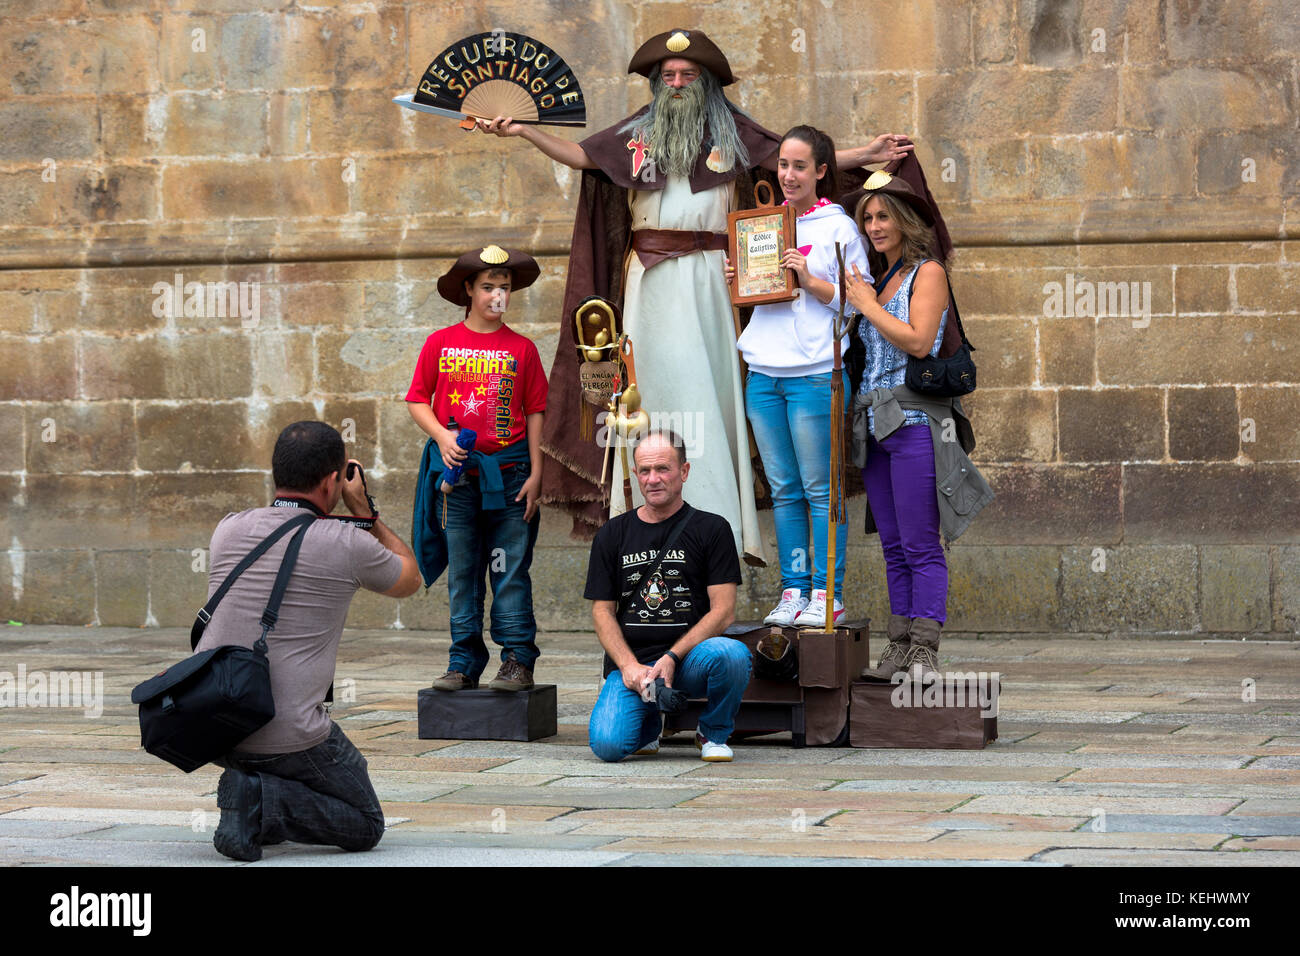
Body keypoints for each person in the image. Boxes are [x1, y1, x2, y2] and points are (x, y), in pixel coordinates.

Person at [475, 28, 913, 562]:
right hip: (648, 285)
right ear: (658, 85)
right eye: (669, 76)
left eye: (688, 75)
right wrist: (523, 131)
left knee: (710, 395)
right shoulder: (635, 136)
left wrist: (865, 152)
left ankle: (720, 527)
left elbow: (796, 163)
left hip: (711, 283)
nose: (678, 83)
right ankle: (641, 525)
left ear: (706, 83)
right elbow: (580, 155)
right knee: (647, 398)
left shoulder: (735, 135)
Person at [200, 420, 422, 862]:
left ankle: (254, 794)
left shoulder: (228, 529)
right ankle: (261, 798)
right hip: (290, 734)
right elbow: (409, 577)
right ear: (331, 481)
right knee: (364, 823)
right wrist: (365, 512)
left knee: (302, 770)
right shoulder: (346, 542)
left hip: (216, 725)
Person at [843, 172, 992, 680]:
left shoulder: (927, 272)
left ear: (905, 221)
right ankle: (900, 643)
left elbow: (920, 341)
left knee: (921, 542)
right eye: (867, 217)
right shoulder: (877, 279)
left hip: (914, 422)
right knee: (892, 544)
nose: (874, 225)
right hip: (875, 425)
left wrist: (865, 305)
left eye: (883, 215)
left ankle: (926, 646)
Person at [728, 125, 870, 629]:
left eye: (800, 166)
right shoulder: (763, 223)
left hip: (815, 372)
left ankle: (828, 593)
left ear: (821, 171)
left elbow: (860, 302)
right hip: (763, 372)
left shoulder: (840, 228)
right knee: (784, 489)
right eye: (783, 165)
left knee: (819, 490)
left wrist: (810, 280)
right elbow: (762, 301)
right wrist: (742, 282)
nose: (788, 175)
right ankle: (794, 590)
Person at [407, 246, 549, 692]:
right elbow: (416, 399)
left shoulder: (523, 350)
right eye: (488, 287)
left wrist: (537, 474)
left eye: (504, 288)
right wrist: (443, 438)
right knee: (464, 570)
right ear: (468, 290)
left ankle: (517, 660)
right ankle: (463, 661)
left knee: (508, 569)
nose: (497, 295)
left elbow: (535, 412)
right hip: (458, 481)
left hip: (509, 476)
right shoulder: (439, 343)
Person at [584, 429, 751, 763]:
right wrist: (629, 667)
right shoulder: (612, 534)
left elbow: (724, 611)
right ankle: (649, 728)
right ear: (635, 474)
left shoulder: (712, 529)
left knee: (732, 655)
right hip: (633, 665)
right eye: (644, 471)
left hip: (689, 660)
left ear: (684, 472)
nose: (653, 479)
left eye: (663, 469)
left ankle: (712, 732)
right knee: (608, 746)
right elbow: (602, 612)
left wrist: (672, 657)